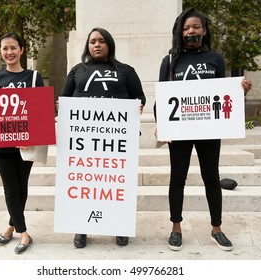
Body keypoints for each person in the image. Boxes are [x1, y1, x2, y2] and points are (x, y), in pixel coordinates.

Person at [154, 7, 252, 252]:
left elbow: (224, 94)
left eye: (196, 27)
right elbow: (162, 98)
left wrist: (242, 91)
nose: (191, 31)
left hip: (208, 129)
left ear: (204, 30)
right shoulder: (169, 61)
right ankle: (176, 228)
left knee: (211, 178)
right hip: (179, 131)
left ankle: (216, 228)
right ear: (180, 32)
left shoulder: (215, 59)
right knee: (177, 179)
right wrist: (161, 125)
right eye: (186, 28)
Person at [59, 27, 146, 248]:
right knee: (86, 184)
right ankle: (82, 227)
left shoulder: (126, 70)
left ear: (109, 44)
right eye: (92, 42)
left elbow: (139, 98)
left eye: (101, 41)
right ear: (87, 46)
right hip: (83, 140)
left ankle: (119, 226)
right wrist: (61, 107)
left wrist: (139, 107)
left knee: (115, 185)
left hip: (116, 140)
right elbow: (64, 99)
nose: (96, 45)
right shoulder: (77, 70)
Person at [0, 32, 44, 254]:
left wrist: (30, 137)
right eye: (5, 48)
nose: (9, 52)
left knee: (21, 187)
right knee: (11, 189)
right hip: (1, 146)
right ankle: (24, 233)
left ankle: (10, 227)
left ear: (22, 50)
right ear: (0, 52)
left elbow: (38, 111)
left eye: (13, 48)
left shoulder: (33, 77)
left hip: (26, 145)